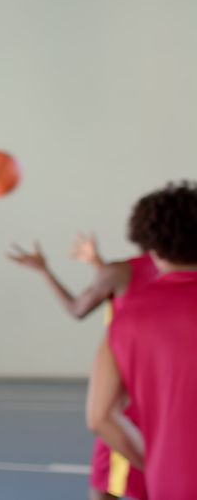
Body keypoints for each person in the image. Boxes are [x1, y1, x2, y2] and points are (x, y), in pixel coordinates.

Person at [9, 232, 154, 500]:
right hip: (174, 397)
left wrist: (44, 271)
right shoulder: (170, 278)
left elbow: (78, 309)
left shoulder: (123, 272)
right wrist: (98, 264)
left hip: (130, 401)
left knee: (115, 484)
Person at [87, 181, 197, 499]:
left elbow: (100, 417)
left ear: (151, 247)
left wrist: (156, 463)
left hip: (171, 484)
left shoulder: (127, 319)